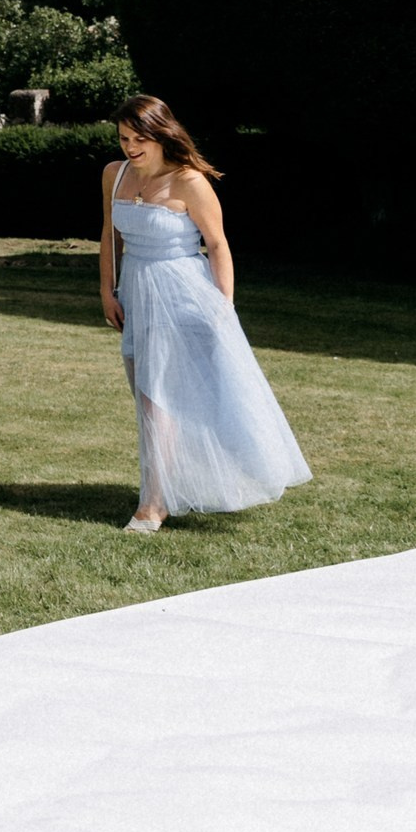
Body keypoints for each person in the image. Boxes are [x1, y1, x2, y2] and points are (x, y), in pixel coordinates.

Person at [100, 94, 310, 532]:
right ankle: (166, 490)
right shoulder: (113, 175)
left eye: (140, 139)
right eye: (123, 138)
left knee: (160, 399)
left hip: (182, 294)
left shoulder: (189, 182)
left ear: (162, 135)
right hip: (136, 292)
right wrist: (107, 291)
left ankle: (153, 504)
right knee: (148, 397)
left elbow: (217, 246)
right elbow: (109, 235)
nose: (130, 148)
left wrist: (222, 308)